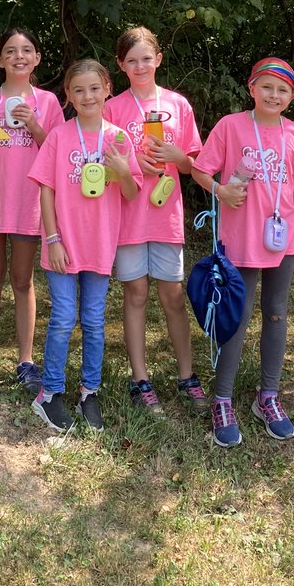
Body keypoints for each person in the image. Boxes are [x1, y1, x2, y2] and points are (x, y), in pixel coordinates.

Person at [192, 58, 294, 448]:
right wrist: (220, 190)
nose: (273, 95)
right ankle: (223, 399)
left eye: (282, 90)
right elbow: (200, 170)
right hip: (241, 238)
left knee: (277, 313)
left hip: (282, 240)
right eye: (266, 87)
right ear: (251, 89)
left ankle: (269, 397)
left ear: (292, 97)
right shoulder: (231, 126)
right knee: (238, 316)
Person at [28, 59, 142, 432]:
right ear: (69, 96)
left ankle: (89, 391)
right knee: (62, 319)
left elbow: (130, 192)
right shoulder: (60, 136)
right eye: (79, 90)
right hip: (62, 245)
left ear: (108, 88)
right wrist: (53, 238)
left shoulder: (119, 138)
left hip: (100, 245)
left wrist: (124, 169)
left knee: (93, 320)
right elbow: (46, 191)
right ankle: (50, 394)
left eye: (94, 88)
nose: (87, 96)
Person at [105, 26, 208, 418]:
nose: (140, 65)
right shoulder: (113, 107)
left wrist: (175, 154)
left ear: (159, 59)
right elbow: (102, 167)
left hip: (166, 218)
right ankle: (140, 379)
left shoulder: (178, 105)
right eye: (131, 60)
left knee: (172, 297)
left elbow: (193, 165)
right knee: (135, 295)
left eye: (146, 58)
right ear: (121, 66)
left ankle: (187, 376)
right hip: (129, 218)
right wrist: (132, 164)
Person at [0, 28, 64, 394]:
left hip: (30, 203)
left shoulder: (48, 102)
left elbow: (56, 151)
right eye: (10, 51)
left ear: (37, 58)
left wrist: (33, 123)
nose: (19, 56)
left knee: (23, 280)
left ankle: (26, 361)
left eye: (26, 50)